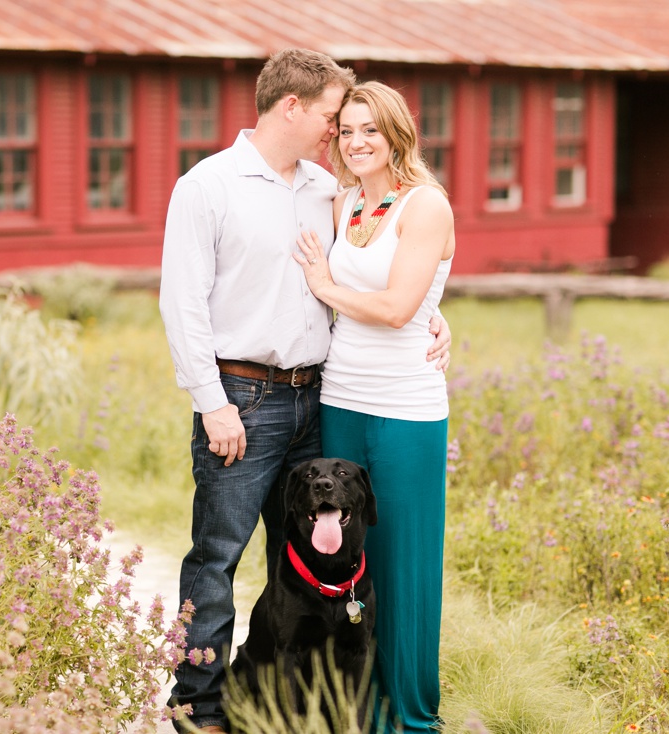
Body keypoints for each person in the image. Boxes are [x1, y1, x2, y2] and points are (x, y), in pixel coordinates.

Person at [159, 50, 450, 733]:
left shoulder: (327, 190)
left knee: (306, 555)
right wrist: (211, 401)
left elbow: (383, 276)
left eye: (352, 125)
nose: (338, 135)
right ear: (292, 107)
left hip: (316, 398)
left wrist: (433, 313)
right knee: (217, 554)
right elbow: (182, 304)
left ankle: (299, 700)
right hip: (241, 398)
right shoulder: (209, 186)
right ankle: (199, 705)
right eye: (330, 118)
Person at [293, 80, 455, 732]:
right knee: (346, 559)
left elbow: (394, 310)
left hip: (406, 407)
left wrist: (325, 285)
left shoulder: (426, 205)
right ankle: (357, 708)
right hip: (343, 398)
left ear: (396, 134)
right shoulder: (343, 206)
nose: (358, 142)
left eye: (371, 130)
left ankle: (411, 717)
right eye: (348, 130)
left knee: (404, 561)